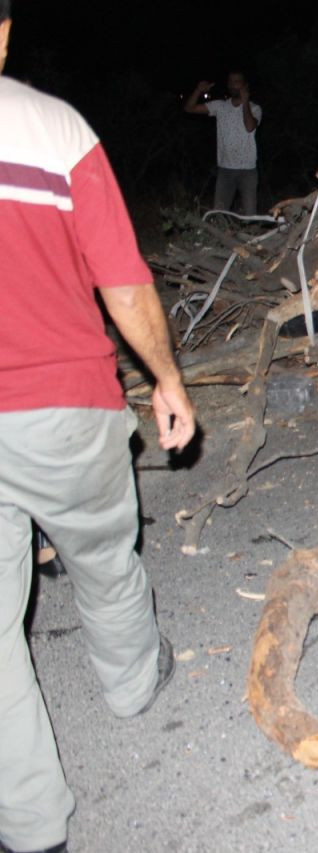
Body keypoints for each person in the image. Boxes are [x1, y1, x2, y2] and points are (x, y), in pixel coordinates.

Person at [0, 4, 197, 852]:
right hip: (67, 405)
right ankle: (132, 685)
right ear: (2, 32)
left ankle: (30, 827)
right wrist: (167, 378)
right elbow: (122, 280)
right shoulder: (53, 128)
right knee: (105, 557)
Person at [184, 70, 262, 215]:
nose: (233, 85)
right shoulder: (220, 106)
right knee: (218, 214)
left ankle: (251, 237)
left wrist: (245, 102)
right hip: (225, 169)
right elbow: (189, 108)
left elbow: (249, 127)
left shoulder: (255, 108)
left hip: (248, 170)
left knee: (250, 215)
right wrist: (198, 90)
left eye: (237, 81)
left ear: (245, 85)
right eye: (230, 82)